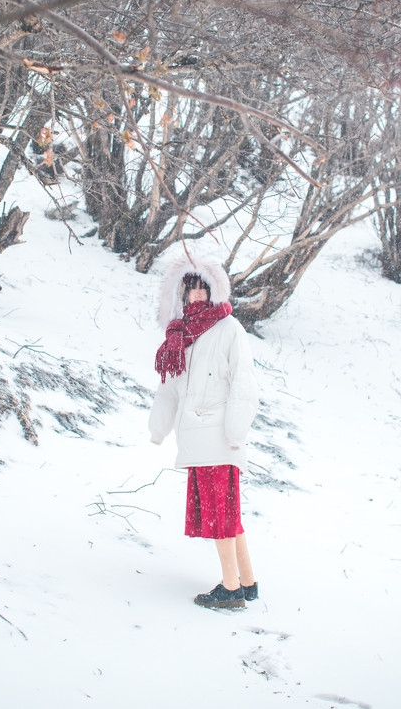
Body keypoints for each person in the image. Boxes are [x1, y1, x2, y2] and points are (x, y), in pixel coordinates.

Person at [149, 254, 261, 610]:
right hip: (195, 439)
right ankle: (247, 581)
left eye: (201, 288)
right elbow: (170, 388)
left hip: (219, 438)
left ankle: (230, 589)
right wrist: (158, 428)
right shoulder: (179, 338)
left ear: (213, 291)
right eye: (189, 289)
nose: (195, 295)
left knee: (222, 518)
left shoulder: (229, 329)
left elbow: (245, 385)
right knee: (228, 516)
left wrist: (234, 432)